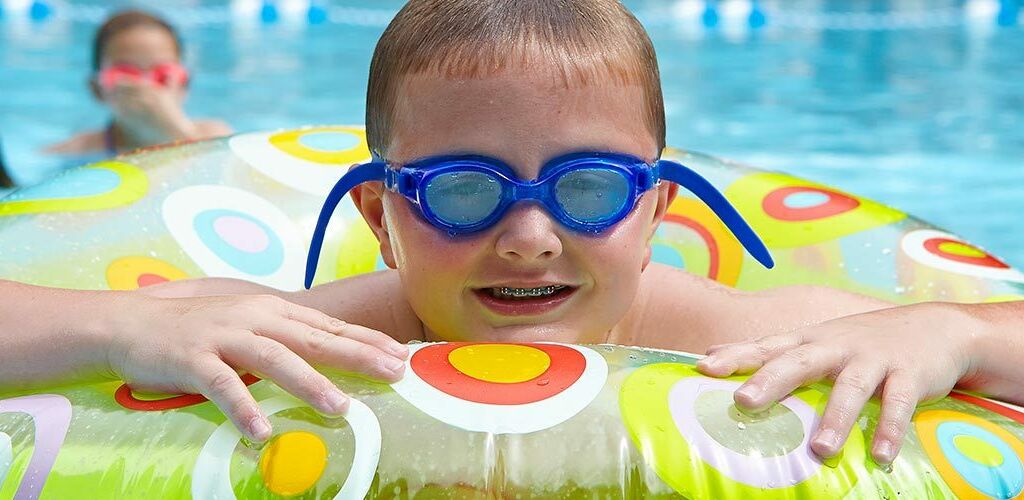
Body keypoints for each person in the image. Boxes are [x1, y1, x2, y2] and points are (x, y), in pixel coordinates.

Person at [2, 0, 1023, 471]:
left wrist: (951, 333)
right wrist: (121, 329)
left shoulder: (734, 330)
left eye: (587, 187)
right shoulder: (318, 328)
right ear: (382, 217)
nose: (529, 235)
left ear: (659, 209)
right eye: (458, 190)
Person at [44, 10, 231, 159]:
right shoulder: (77, 152)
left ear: (184, 85)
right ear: (97, 90)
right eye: (125, 75)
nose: (144, 87)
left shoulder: (216, 137)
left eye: (162, 76)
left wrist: (175, 131)